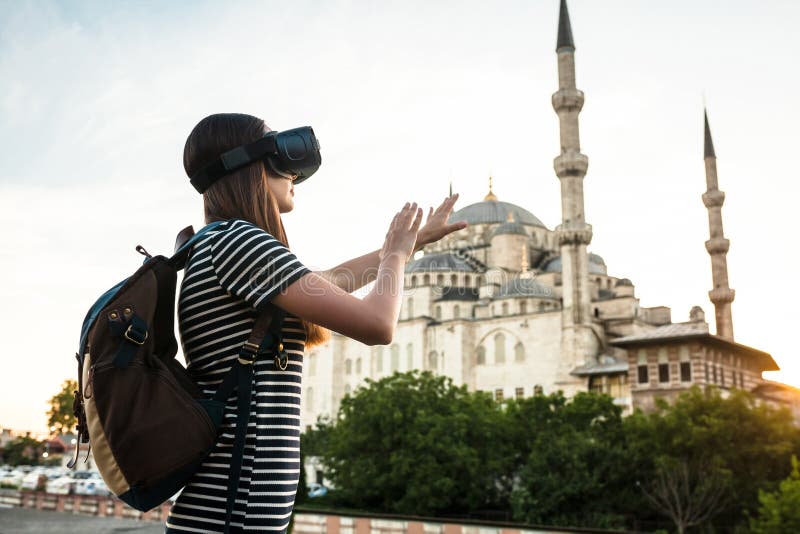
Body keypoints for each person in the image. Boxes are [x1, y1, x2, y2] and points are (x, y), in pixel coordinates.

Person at [165, 113, 467, 533]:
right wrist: (396, 254)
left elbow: (334, 281)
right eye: (277, 155)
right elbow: (379, 325)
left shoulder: (216, 242)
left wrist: (409, 244)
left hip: (225, 510)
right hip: (231, 514)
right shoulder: (240, 242)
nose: (292, 172)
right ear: (248, 165)